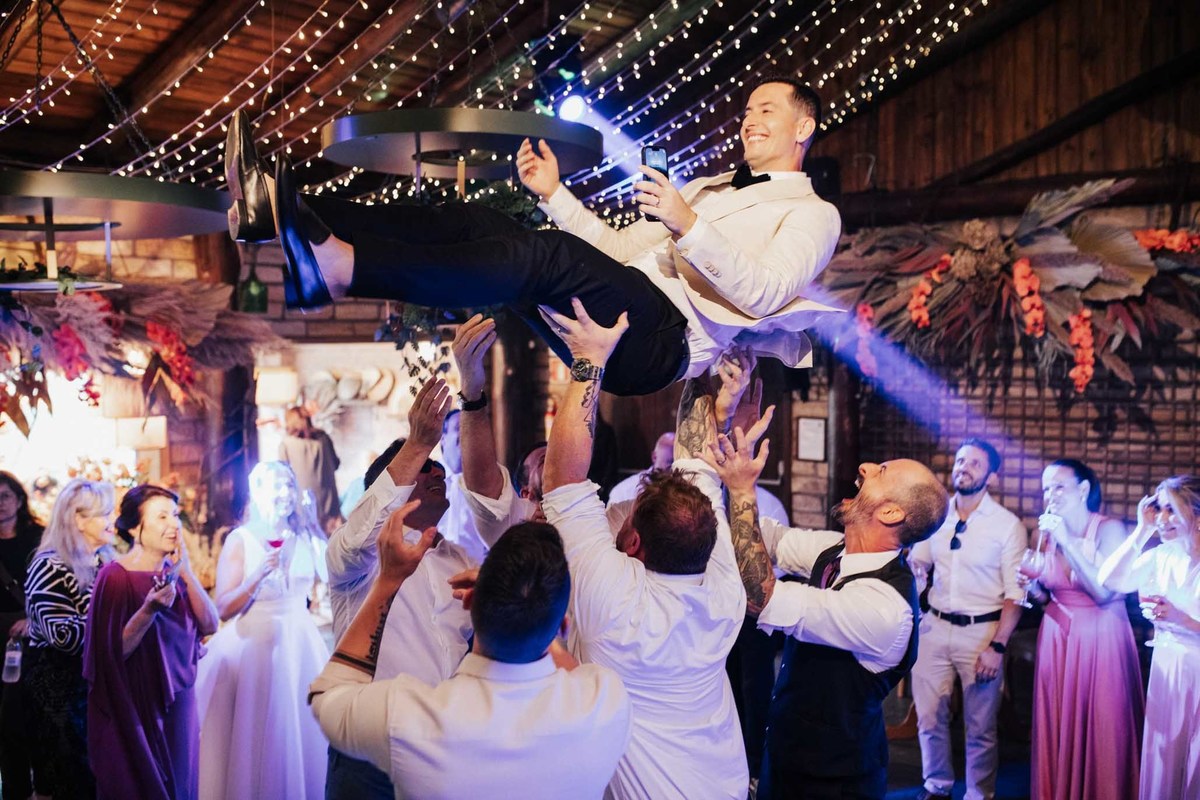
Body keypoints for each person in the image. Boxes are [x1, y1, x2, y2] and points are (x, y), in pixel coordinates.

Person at [225, 75, 842, 396]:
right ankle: (283, 208)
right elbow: (617, 252)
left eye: (766, 110)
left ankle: (345, 269)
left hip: (660, 343)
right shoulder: (711, 187)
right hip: (626, 300)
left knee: (549, 254)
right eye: (746, 111)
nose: (749, 119)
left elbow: (764, 293)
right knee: (479, 222)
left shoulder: (815, 213)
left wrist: (688, 223)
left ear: (803, 127)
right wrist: (555, 194)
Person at [539, 298, 750, 799]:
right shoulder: (726, 591)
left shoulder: (616, 600)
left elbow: (563, 479)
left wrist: (589, 358)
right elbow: (697, 455)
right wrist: (707, 364)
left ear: (633, 542)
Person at [308, 501, 632, 798]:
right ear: (561, 625)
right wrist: (533, 610)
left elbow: (328, 694)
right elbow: (561, 657)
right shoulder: (606, 700)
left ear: (471, 602)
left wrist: (388, 581)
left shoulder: (408, 719)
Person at [709, 407, 948, 798]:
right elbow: (759, 537)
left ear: (891, 512)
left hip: (835, 781)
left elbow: (762, 597)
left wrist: (742, 491)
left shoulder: (885, 608)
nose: (866, 467)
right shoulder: (835, 550)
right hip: (787, 755)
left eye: (881, 471)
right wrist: (728, 448)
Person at [323, 378, 458, 800]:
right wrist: (417, 444)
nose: (437, 472)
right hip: (370, 748)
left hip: (444, 750)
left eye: (438, 468)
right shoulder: (354, 556)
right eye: (424, 468)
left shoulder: (458, 559)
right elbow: (363, 532)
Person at [195, 461, 330, 800]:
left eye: (290, 485)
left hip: (301, 643)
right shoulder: (240, 539)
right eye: (277, 485)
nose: (286, 493)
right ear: (257, 492)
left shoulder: (303, 535)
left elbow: (330, 575)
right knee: (258, 733)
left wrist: (314, 526)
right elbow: (224, 607)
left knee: (303, 731)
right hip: (255, 646)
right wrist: (258, 576)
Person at [908, 439, 1026, 800]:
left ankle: (978, 794)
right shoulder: (937, 515)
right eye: (961, 460)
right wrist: (915, 571)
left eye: (975, 463)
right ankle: (936, 785)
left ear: (991, 476)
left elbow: (1016, 594)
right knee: (929, 717)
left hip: (982, 631)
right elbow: (919, 561)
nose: (964, 467)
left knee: (980, 726)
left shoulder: (1007, 525)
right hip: (934, 624)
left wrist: (997, 646)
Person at [84, 485, 220, 800]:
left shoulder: (176, 574)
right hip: (135, 701)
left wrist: (187, 573)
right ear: (134, 527)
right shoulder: (115, 576)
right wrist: (148, 610)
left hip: (180, 699)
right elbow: (111, 653)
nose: (174, 525)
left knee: (181, 784)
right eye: (161, 517)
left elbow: (210, 623)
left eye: (174, 515)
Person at [1021, 459, 1142, 800]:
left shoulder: (1109, 530)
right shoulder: (1043, 535)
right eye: (1046, 488)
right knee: (1057, 725)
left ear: (1084, 489)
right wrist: (1032, 589)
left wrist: (1068, 541)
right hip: (1056, 636)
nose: (1051, 495)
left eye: (1059, 486)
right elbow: (1047, 597)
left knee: (1102, 724)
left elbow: (1104, 593)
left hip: (1100, 637)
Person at [1098, 474, 1200, 800]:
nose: (1162, 518)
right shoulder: (1161, 556)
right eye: (1160, 509)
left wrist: (1181, 618)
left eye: (1172, 510)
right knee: (1164, 758)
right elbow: (1109, 579)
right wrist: (1141, 531)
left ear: (1197, 516)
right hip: (1167, 668)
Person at [23, 479, 117, 799]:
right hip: (57, 686)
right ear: (78, 519)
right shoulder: (48, 565)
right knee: (68, 778)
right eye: (104, 514)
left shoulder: (106, 561)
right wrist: (113, 620)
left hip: (93, 680)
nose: (112, 520)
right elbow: (62, 636)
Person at [278, 406, 342, 532]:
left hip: (303, 511)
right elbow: (336, 464)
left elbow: (283, 478)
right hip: (330, 509)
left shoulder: (286, 445)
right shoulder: (324, 438)